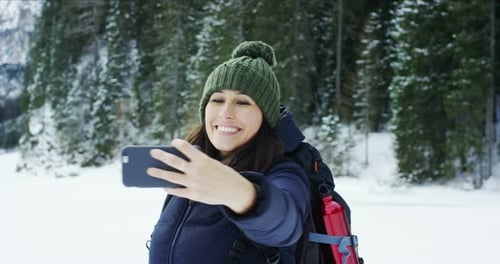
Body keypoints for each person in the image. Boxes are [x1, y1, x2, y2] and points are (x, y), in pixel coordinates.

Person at [146, 41, 310, 264]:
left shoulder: (284, 170)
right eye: (217, 99)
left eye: (242, 102)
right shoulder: (193, 166)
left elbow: (285, 223)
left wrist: (241, 194)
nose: (225, 113)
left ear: (265, 116)